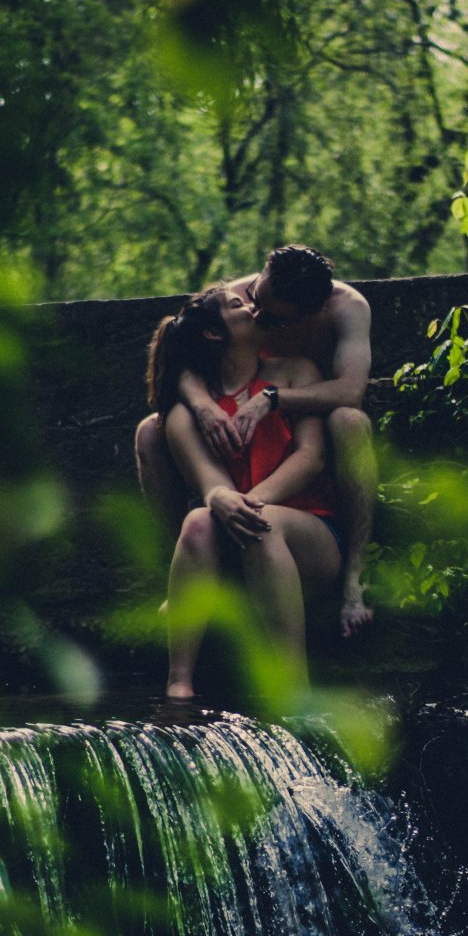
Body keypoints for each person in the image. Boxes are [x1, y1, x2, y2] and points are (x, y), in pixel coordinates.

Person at [136, 247, 376, 637]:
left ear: (308, 313)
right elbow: (179, 348)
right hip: (238, 445)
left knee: (351, 423)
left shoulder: (347, 309)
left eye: (271, 315)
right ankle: (178, 570)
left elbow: (350, 392)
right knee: (151, 429)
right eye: (253, 301)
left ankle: (355, 578)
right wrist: (202, 406)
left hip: (307, 441)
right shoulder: (240, 297)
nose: (256, 314)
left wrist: (272, 400)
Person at [146, 285, 344, 699]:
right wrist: (218, 497)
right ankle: (178, 683)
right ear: (215, 334)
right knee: (198, 521)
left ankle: (293, 685)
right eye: (238, 305)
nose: (253, 306)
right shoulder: (189, 410)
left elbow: (312, 457)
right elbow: (208, 478)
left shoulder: (295, 371)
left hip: (310, 539)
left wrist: (250, 502)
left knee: (262, 521)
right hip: (235, 542)